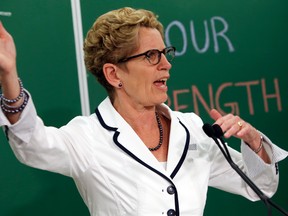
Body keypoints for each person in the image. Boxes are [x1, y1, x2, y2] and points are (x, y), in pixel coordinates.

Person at [0, 7, 287, 216]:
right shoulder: (88, 138)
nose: (166, 65)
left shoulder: (191, 129)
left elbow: (258, 186)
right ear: (113, 74)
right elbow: (32, 144)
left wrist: (254, 141)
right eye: (151, 56)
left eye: (165, 53)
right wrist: (9, 74)